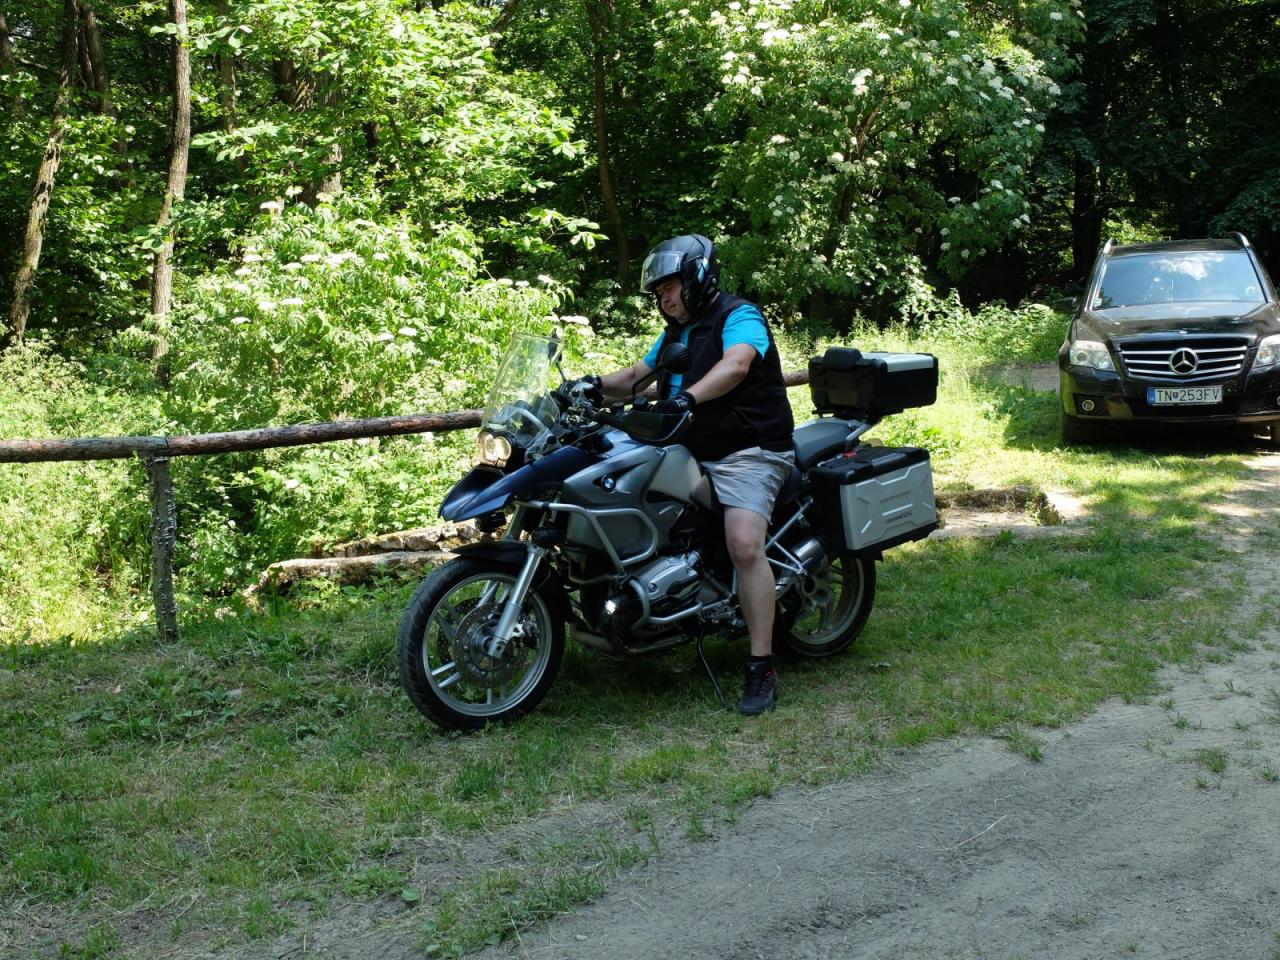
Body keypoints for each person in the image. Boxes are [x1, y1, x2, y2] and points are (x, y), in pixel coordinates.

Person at [591, 234, 796, 715]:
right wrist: (588, 386)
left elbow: (736, 366)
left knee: (743, 544)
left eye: (669, 287)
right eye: (658, 292)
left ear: (697, 277)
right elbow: (633, 378)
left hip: (748, 451)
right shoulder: (675, 334)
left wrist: (686, 398)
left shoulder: (740, 315)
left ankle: (761, 667)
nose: (664, 298)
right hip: (687, 449)